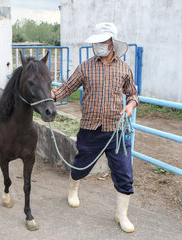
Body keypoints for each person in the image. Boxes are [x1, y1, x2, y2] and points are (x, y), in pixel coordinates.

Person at [51, 22, 139, 233]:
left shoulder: (124, 68)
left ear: (112, 44)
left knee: (124, 172)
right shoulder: (85, 67)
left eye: (102, 41)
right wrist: (49, 96)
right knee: (82, 165)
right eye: (96, 42)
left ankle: (122, 215)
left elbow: (133, 93)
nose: (98, 45)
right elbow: (67, 87)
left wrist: (130, 105)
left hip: (117, 131)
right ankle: (73, 190)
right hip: (91, 128)